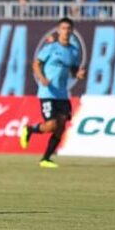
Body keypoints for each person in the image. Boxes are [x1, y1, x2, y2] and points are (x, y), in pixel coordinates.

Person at [20, 17, 85, 169]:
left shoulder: (73, 51)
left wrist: (78, 74)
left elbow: (74, 69)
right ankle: (29, 129)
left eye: (68, 29)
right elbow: (36, 64)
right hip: (48, 92)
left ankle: (46, 158)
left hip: (62, 94)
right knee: (51, 125)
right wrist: (41, 78)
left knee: (61, 127)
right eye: (63, 28)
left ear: (72, 31)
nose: (66, 31)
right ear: (58, 30)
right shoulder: (51, 48)